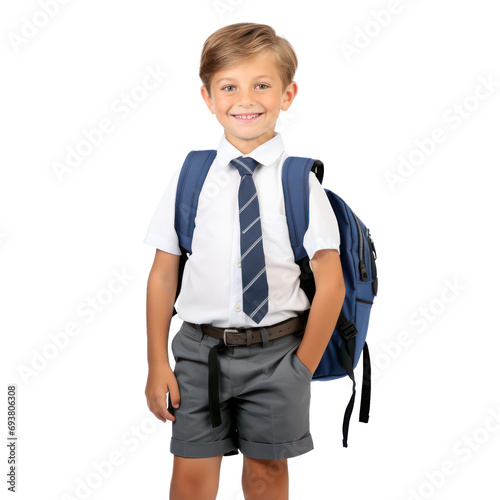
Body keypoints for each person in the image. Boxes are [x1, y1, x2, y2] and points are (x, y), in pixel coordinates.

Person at [143, 22, 345, 500]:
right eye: (229, 87)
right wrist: (156, 362)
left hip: (279, 354)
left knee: (266, 475)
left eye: (262, 85)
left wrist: (302, 366)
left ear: (287, 94)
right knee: (191, 480)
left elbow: (330, 283)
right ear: (208, 98)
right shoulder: (192, 175)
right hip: (199, 354)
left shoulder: (299, 182)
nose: (245, 99)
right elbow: (163, 273)